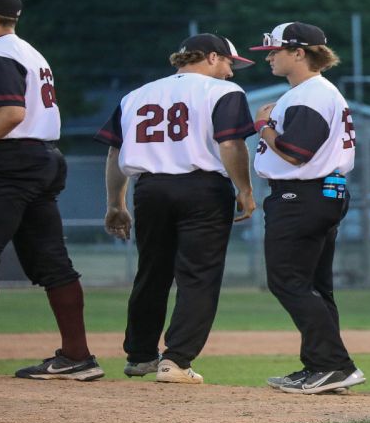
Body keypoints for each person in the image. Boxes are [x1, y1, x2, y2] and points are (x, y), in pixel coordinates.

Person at [94, 34, 257, 384]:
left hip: (150, 189)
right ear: (212, 57)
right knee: (198, 275)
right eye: (230, 63)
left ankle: (140, 356)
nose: (231, 72)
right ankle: (176, 360)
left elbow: (114, 154)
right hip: (203, 188)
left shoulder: (136, 95)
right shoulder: (223, 92)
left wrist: (115, 203)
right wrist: (244, 188)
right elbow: (229, 142)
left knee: (152, 272)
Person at [251, 21, 365, 395]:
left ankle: (334, 365)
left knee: (287, 281)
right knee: (315, 286)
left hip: (301, 195)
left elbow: (297, 154)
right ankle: (321, 365)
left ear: (298, 52)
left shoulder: (309, 95)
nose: (269, 56)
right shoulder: (314, 92)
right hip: (318, 193)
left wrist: (264, 126)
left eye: (275, 50)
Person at [0, 0, 102, 381]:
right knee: (53, 263)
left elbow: (9, 113)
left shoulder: (1, 53)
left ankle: (77, 356)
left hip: (11, 159)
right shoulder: (29, 51)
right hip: (42, 157)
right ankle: (77, 355)